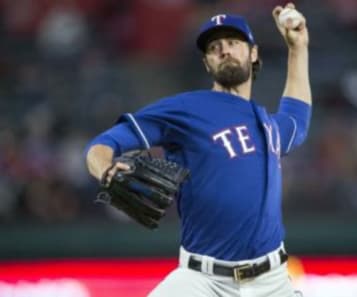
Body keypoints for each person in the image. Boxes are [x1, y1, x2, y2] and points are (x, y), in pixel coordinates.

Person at [85, 3, 311, 297]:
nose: (225, 50)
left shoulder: (267, 124)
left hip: (273, 281)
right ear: (207, 63)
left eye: (233, 42)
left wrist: (299, 47)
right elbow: (101, 145)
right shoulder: (187, 108)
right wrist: (105, 169)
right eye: (215, 47)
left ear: (253, 53)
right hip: (202, 281)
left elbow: (297, 121)